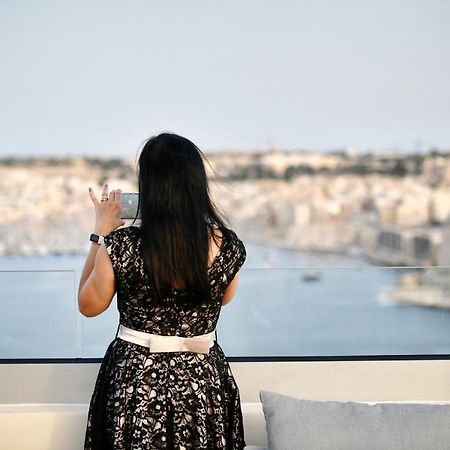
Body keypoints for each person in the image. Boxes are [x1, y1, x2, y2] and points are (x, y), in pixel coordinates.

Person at [79, 132, 247, 449]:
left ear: (149, 186)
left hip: (135, 379)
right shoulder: (227, 245)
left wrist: (100, 233)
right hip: (201, 381)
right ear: (196, 184)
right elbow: (225, 297)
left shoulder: (121, 246)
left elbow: (88, 305)